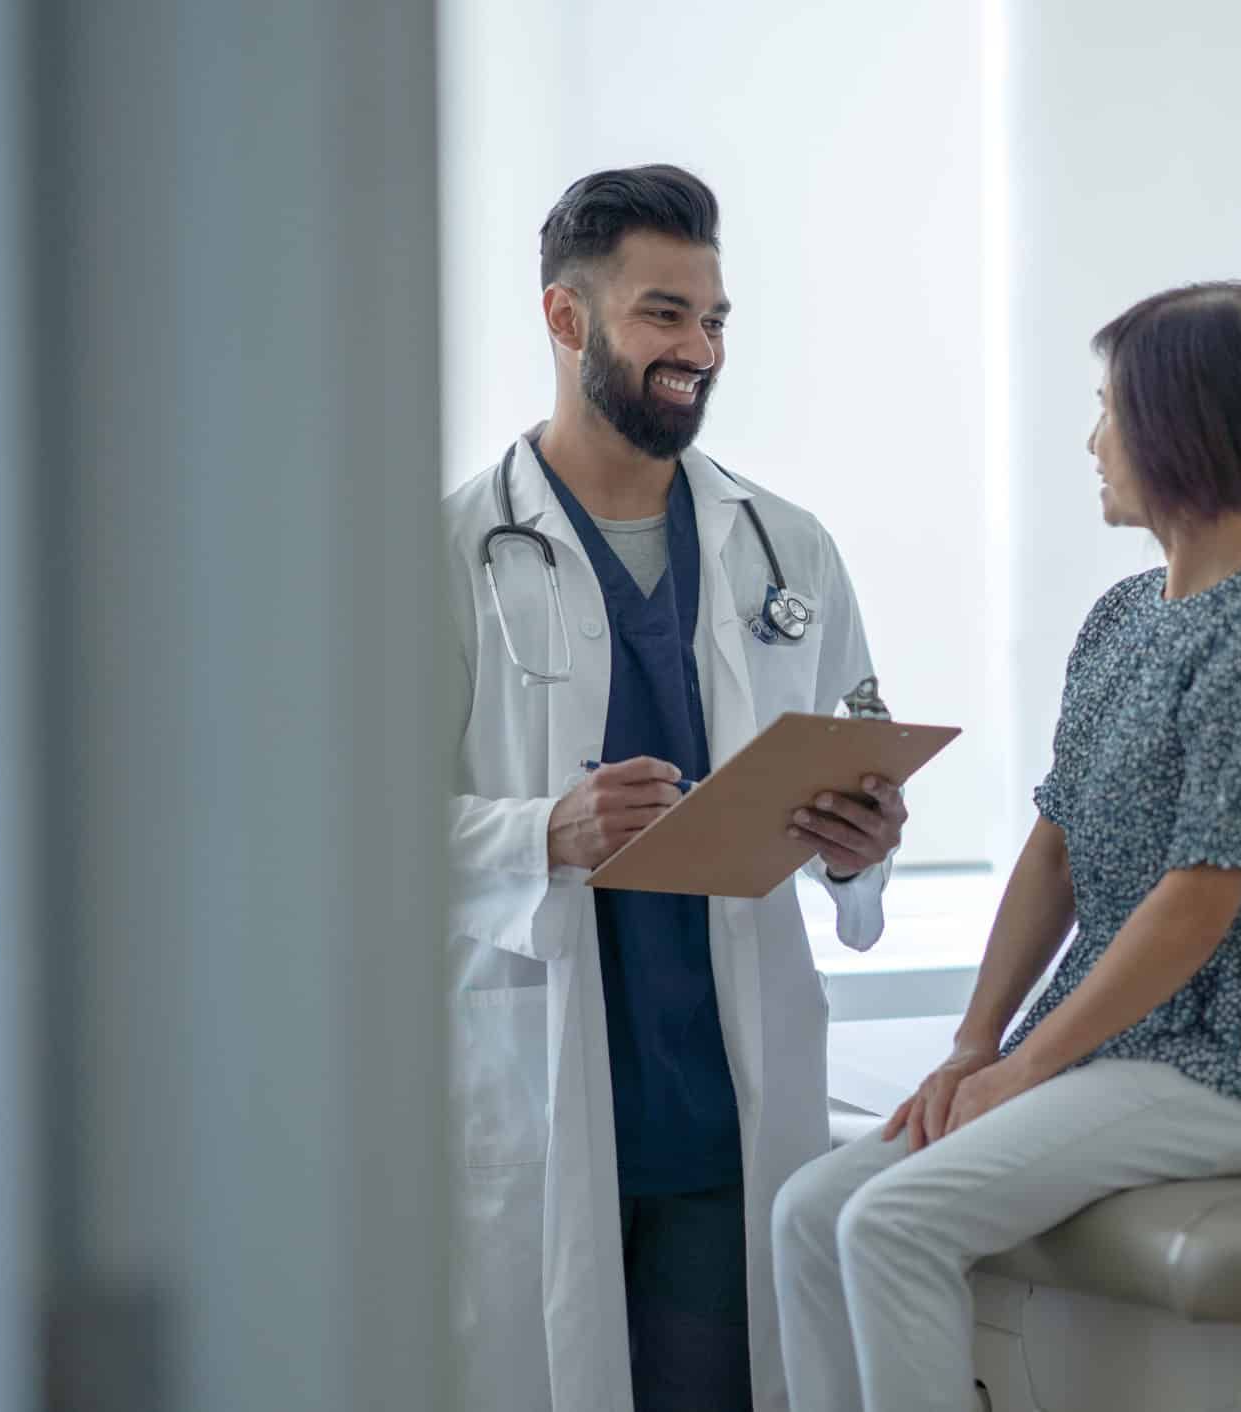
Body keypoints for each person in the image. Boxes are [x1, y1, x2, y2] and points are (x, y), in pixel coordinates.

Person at [771, 281, 1241, 1412]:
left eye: (1107, 407)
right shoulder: (1121, 616)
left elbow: (1197, 901)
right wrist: (972, 1042)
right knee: (810, 1209)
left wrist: (1028, 1063)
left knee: (894, 1219)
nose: (1090, 438)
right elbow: (1053, 850)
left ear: (1177, 427)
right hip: (1130, 1043)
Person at [443, 166, 906, 1412]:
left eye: (714, 320)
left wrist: (860, 842)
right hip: (542, 1084)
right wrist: (543, 827)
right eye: (663, 315)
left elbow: (853, 745)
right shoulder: (448, 551)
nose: (697, 349)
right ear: (564, 319)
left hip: (721, 1103)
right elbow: (352, 829)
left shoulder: (785, 544)